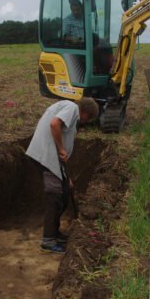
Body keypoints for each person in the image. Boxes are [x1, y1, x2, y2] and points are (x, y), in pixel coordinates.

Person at [26, 97, 100, 253]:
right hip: (45, 156)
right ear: (86, 113)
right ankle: (48, 241)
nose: (85, 122)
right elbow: (54, 124)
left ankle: (55, 233)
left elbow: (62, 152)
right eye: (87, 119)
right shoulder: (72, 108)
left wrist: (67, 178)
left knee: (65, 191)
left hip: (50, 159)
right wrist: (61, 148)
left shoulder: (68, 110)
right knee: (55, 195)